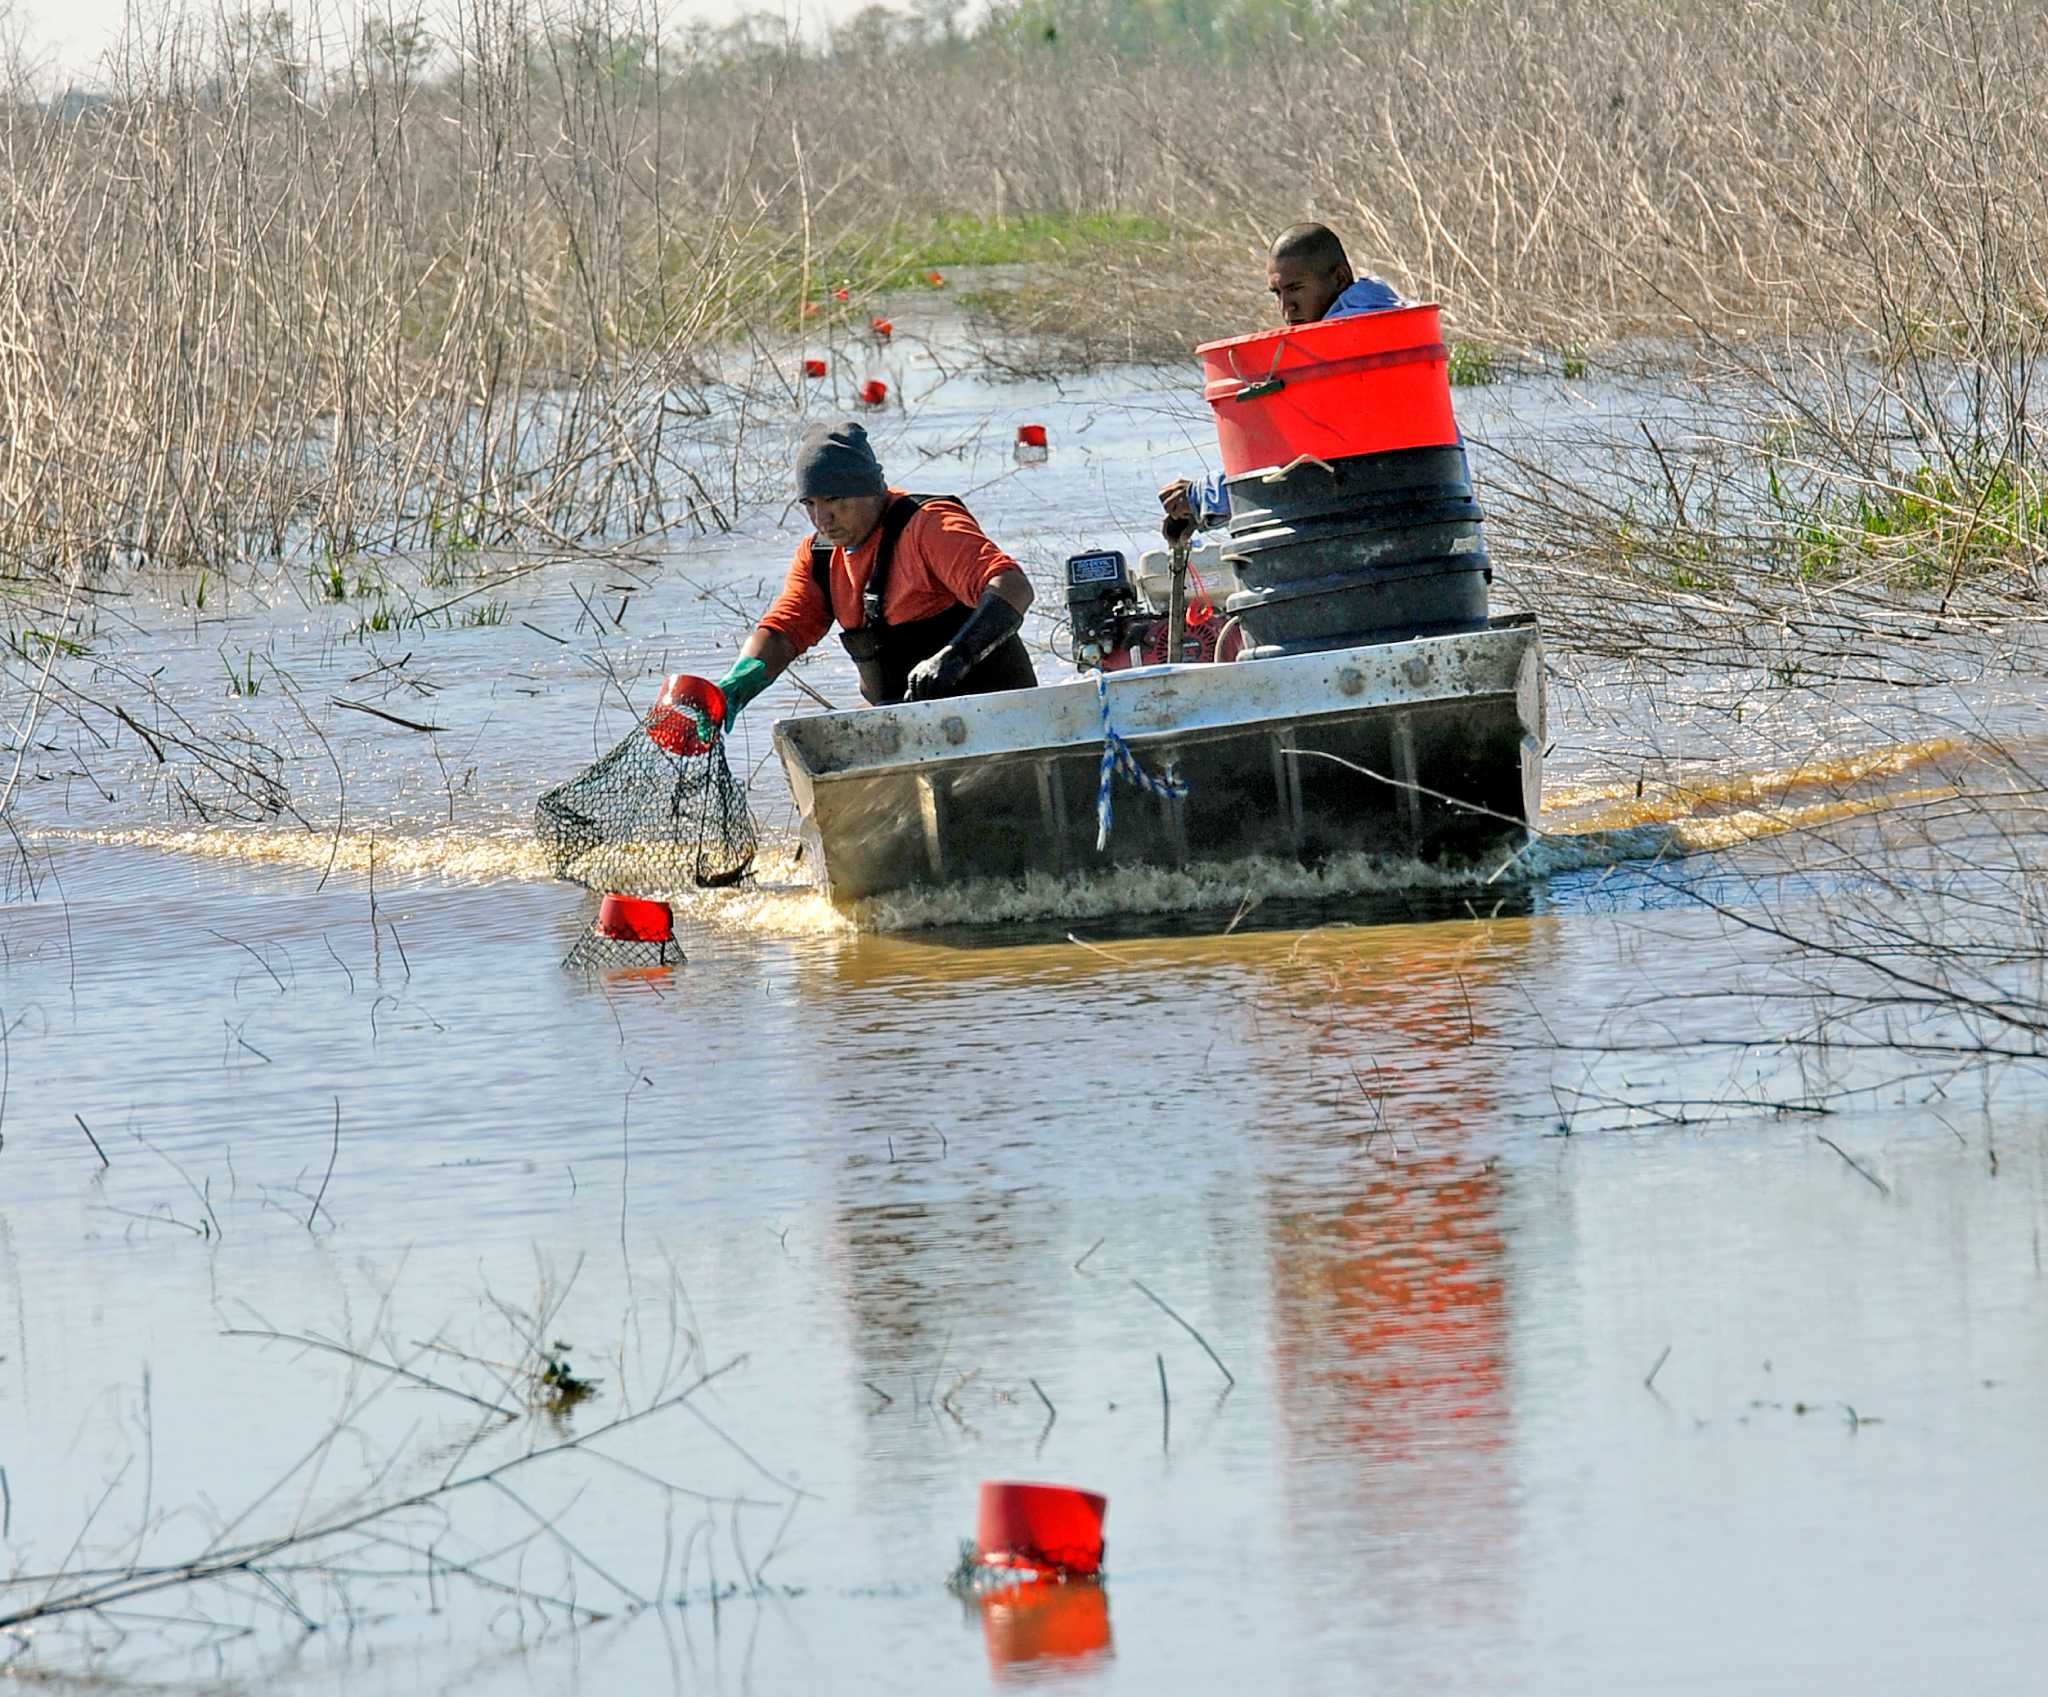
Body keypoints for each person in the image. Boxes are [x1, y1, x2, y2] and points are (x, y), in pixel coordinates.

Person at [713, 419, 1036, 724]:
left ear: (871, 490)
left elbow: (1013, 587)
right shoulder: (819, 558)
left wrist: (957, 655)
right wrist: (736, 684)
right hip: (906, 729)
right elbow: (784, 632)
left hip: (998, 715)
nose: (821, 519)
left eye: (834, 499)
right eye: (809, 504)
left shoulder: (929, 524)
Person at [1159, 223, 1405, 543]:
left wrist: (1202, 496)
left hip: (1387, 534)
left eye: (1296, 288)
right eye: (1278, 292)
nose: (1285, 307)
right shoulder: (1392, 323)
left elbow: (1297, 458)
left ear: (1340, 278)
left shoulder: (1344, 342)